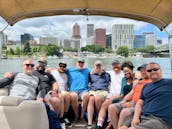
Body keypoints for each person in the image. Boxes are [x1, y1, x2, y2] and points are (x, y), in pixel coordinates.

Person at [0, 58, 62, 129]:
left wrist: (41, 97)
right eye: (27, 65)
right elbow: (3, 82)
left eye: (32, 65)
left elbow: (42, 89)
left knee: (51, 112)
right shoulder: (15, 75)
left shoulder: (37, 78)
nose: (30, 67)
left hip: (28, 101)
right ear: (22, 66)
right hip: (14, 99)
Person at [122, 62, 172, 129]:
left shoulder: (169, 83)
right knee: (122, 127)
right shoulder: (146, 86)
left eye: (155, 69)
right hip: (142, 115)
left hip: (159, 120)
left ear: (161, 70)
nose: (152, 72)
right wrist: (136, 117)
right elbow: (139, 103)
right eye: (149, 70)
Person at [108, 64, 151, 129]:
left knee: (125, 112)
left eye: (144, 70)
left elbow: (147, 99)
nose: (143, 72)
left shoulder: (151, 83)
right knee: (112, 107)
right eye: (141, 71)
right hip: (132, 102)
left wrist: (133, 104)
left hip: (139, 105)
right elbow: (131, 93)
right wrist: (124, 101)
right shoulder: (139, 82)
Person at [95, 59, 124, 129]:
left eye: (117, 64)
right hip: (111, 94)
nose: (115, 66)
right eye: (114, 64)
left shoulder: (124, 73)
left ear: (120, 65)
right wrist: (93, 70)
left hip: (121, 95)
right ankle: (99, 124)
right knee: (104, 105)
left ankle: (109, 122)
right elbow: (100, 70)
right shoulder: (110, 73)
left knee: (111, 104)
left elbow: (134, 74)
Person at [106, 61, 135, 129]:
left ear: (132, 70)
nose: (126, 73)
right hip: (124, 99)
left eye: (128, 71)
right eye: (124, 71)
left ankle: (109, 125)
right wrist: (113, 97)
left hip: (132, 101)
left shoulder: (136, 79)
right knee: (111, 106)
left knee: (122, 108)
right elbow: (122, 94)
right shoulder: (123, 80)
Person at [87, 60, 111, 129]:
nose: (98, 67)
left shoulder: (106, 74)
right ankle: (90, 122)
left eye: (99, 65)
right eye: (96, 66)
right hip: (93, 90)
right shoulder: (91, 74)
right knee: (91, 99)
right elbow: (88, 82)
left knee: (97, 98)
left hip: (103, 91)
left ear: (102, 66)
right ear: (94, 66)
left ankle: (98, 116)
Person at [66, 58, 90, 126]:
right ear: (76, 63)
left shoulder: (87, 70)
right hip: (73, 90)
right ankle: (76, 116)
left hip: (84, 90)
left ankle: (82, 117)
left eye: (82, 63)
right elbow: (60, 69)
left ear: (83, 64)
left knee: (86, 96)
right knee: (73, 96)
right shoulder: (70, 70)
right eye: (79, 62)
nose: (80, 64)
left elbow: (95, 71)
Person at [50, 61, 71, 127]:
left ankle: (64, 115)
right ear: (58, 66)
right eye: (60, 66)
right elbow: (47, 70)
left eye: (63, 66)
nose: (62, 67)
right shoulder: (53, 72)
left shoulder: (66, 76)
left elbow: (67, 86)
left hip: (63, 91)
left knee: (67, 95)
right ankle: (61, 117)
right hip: (55, 90)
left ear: (65, 68)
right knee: (62, 95)